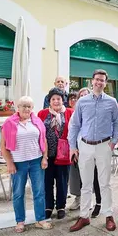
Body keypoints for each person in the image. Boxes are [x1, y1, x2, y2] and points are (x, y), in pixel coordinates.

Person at [67, 70, 118, 232]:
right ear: (92, 81)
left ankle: (108, 215)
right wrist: (73, 147)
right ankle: (84, 216)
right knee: (86, 184)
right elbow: (75, 125)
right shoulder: (82, 102)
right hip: (85, 146)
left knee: (105, 183)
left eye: (102, 80)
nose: (99, 82)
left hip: (104, 146)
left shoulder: (112, 102)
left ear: (106, 83)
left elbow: (117, 123)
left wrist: (113, 142)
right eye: (97, 79)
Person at [0, 96, 52, 232]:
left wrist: (45, 157)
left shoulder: (37, 122)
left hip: (36, 161)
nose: (26, 109)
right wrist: (9, 163)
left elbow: (44, 140)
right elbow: (3, 146)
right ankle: (20, 221)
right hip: (18, 163)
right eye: (24, 106)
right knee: (18, 193)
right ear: (18, 107)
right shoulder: (9, 123)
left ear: (32, 108)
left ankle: (40, 220)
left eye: (29, 106)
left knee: (39, 192)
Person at [37, 88, 74, 220]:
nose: (56, 101)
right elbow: (37, 132)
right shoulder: (42, 113)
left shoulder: (70, 112)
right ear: (49, 101)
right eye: (53, 99)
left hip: (64, 154)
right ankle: (48, 206)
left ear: (63, 100)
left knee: (62, 181)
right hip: (47, 154)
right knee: (47, 181)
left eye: (58, 98)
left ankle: (61, 206)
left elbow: (76, 131)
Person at [67, 88, 102, 213]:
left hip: (95, 148)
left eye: (86, 95)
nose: (83, 97)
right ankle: (80, 200)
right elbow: (72, 131)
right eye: (80, 96)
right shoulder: (75, 113)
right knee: (79, 178)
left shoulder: (97, 112)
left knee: (95, 177)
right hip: (79, 149)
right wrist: (74, 148)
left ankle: (95, 201)